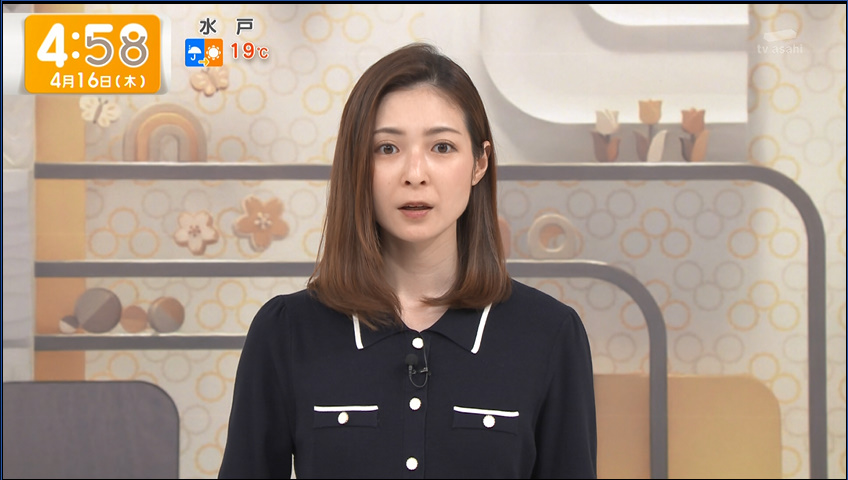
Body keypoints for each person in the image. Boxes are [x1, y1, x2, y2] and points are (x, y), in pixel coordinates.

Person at [218, 42, 597, 479]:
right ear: (356, 164)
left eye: (442, 147)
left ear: (479, 163)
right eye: (387, 148)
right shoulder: (285, 332)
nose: (415, 174)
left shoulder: (550, 334)